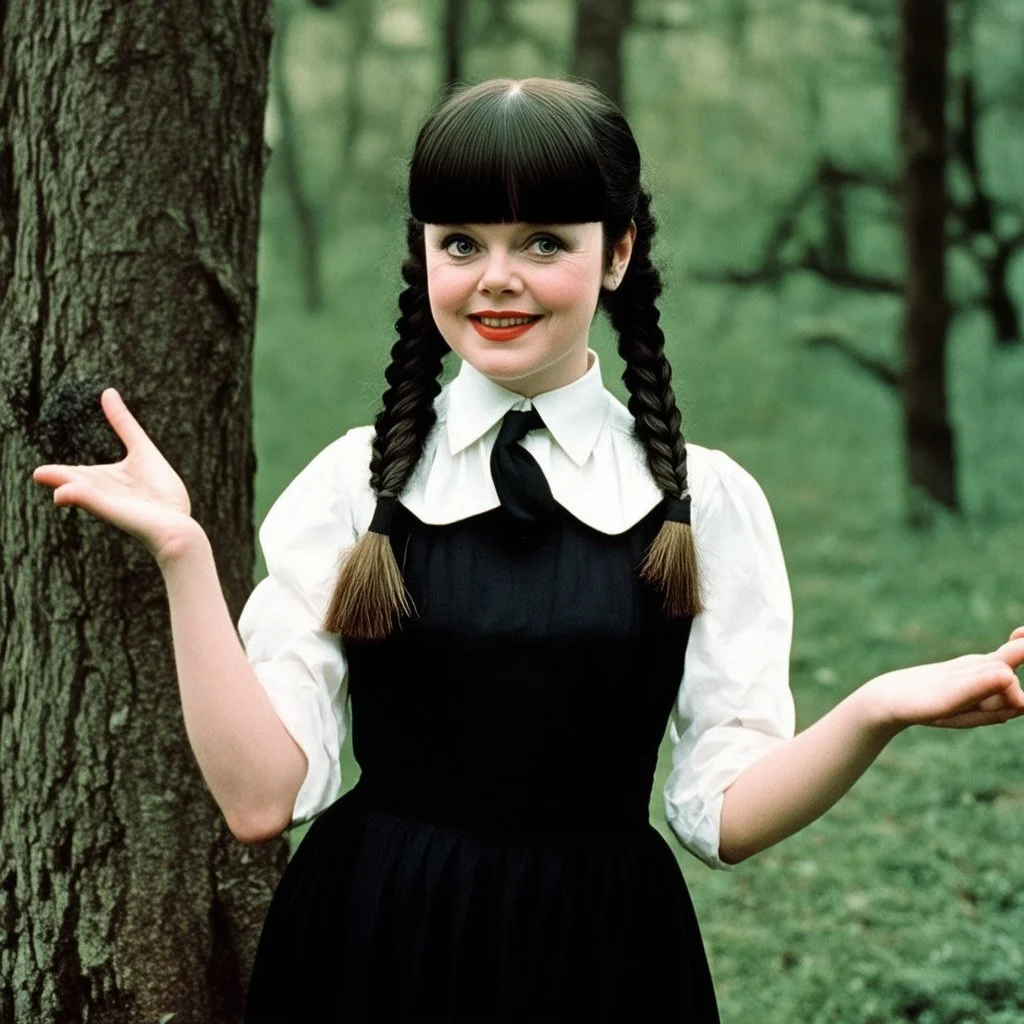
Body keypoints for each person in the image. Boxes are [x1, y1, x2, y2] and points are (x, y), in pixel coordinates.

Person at [31, 77, 1024, 1023]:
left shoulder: (700, 500)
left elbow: (722, 815)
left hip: (599, 956)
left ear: (619, 250)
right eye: (461, 241)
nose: (496, 278)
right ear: (422, 255)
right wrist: (183, 552)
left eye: (543, 241)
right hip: (373, 946)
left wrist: (875, 711)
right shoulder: (353, 485)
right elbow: (259, 800)